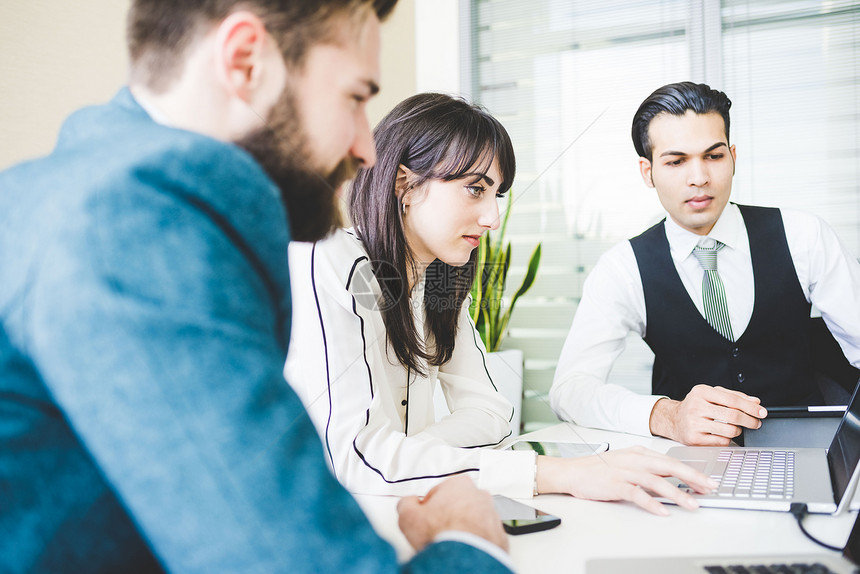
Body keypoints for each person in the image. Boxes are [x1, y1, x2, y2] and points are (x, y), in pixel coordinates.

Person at [0, 1, 517, 572]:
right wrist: (471, 543)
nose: (366, 149)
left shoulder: (67, 193)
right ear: (246, 62)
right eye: (354, 97)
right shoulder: (138, 220)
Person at [284, 92, 714, 515]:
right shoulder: (328, 260)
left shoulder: (439, 285)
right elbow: (357, 457)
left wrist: (403, 456)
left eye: (496, 196)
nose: (492, 218)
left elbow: (490, 413)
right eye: (475, 190)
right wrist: (559, 474)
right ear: (404, 185)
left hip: (390, 509)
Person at [550, 81, 860, 447]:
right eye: (676, 161)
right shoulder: (623, 269)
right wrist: (666, 415)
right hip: (689, 461)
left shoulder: (804, 235)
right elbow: (569, 390)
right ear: (647, 172)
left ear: (732, 157)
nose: (699, 178)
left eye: (713, 156)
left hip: (809, 448)